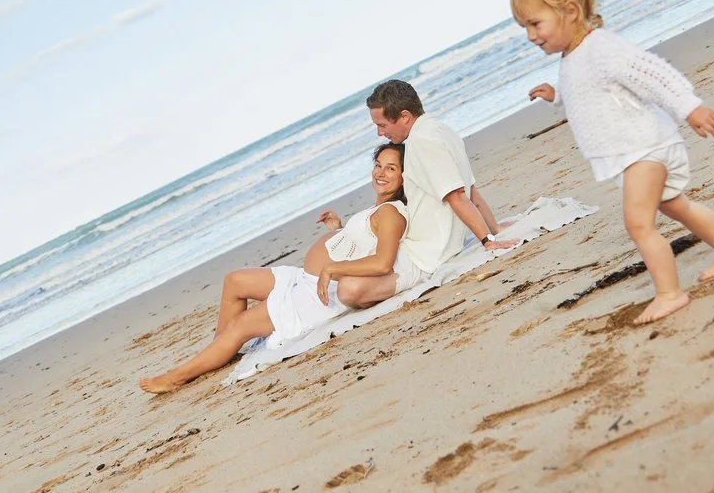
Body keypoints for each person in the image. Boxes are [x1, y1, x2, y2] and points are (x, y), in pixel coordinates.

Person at [511, 0, 714, 324]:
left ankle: (670, 294)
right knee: (677, 206)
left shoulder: (601, 48)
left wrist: (691, 107)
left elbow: (651, 73)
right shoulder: (574, 55)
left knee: (638, 223)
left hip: (645, 149)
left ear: (570, 11)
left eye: (534, 23)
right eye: (525, 27)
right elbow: (589, 93)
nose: (530, 35)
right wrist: (556, 95)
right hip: (638, 149)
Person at [139, 143, 416, 394]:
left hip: (318, 296)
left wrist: (331, 268)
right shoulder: (380, 208)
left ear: (404, 176)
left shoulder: (390, 213)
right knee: (235, 282)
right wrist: (338, 229)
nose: (380, 172)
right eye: (378, 165)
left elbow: (382, 263)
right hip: (304, 278)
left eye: (391, 168)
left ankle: (177, 377)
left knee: (242, 325)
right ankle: (218, 350)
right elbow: (361, 245)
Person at [343, 80, 516, 308]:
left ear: (404, 116)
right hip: (424, 249)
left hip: (422, 257)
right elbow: (470, 189)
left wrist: (488, 241)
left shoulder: (420, 143)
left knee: (346, 290)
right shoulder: (441, 129)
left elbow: (457, 196)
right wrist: (494, 229)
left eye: (382, 125)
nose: (379, 133)